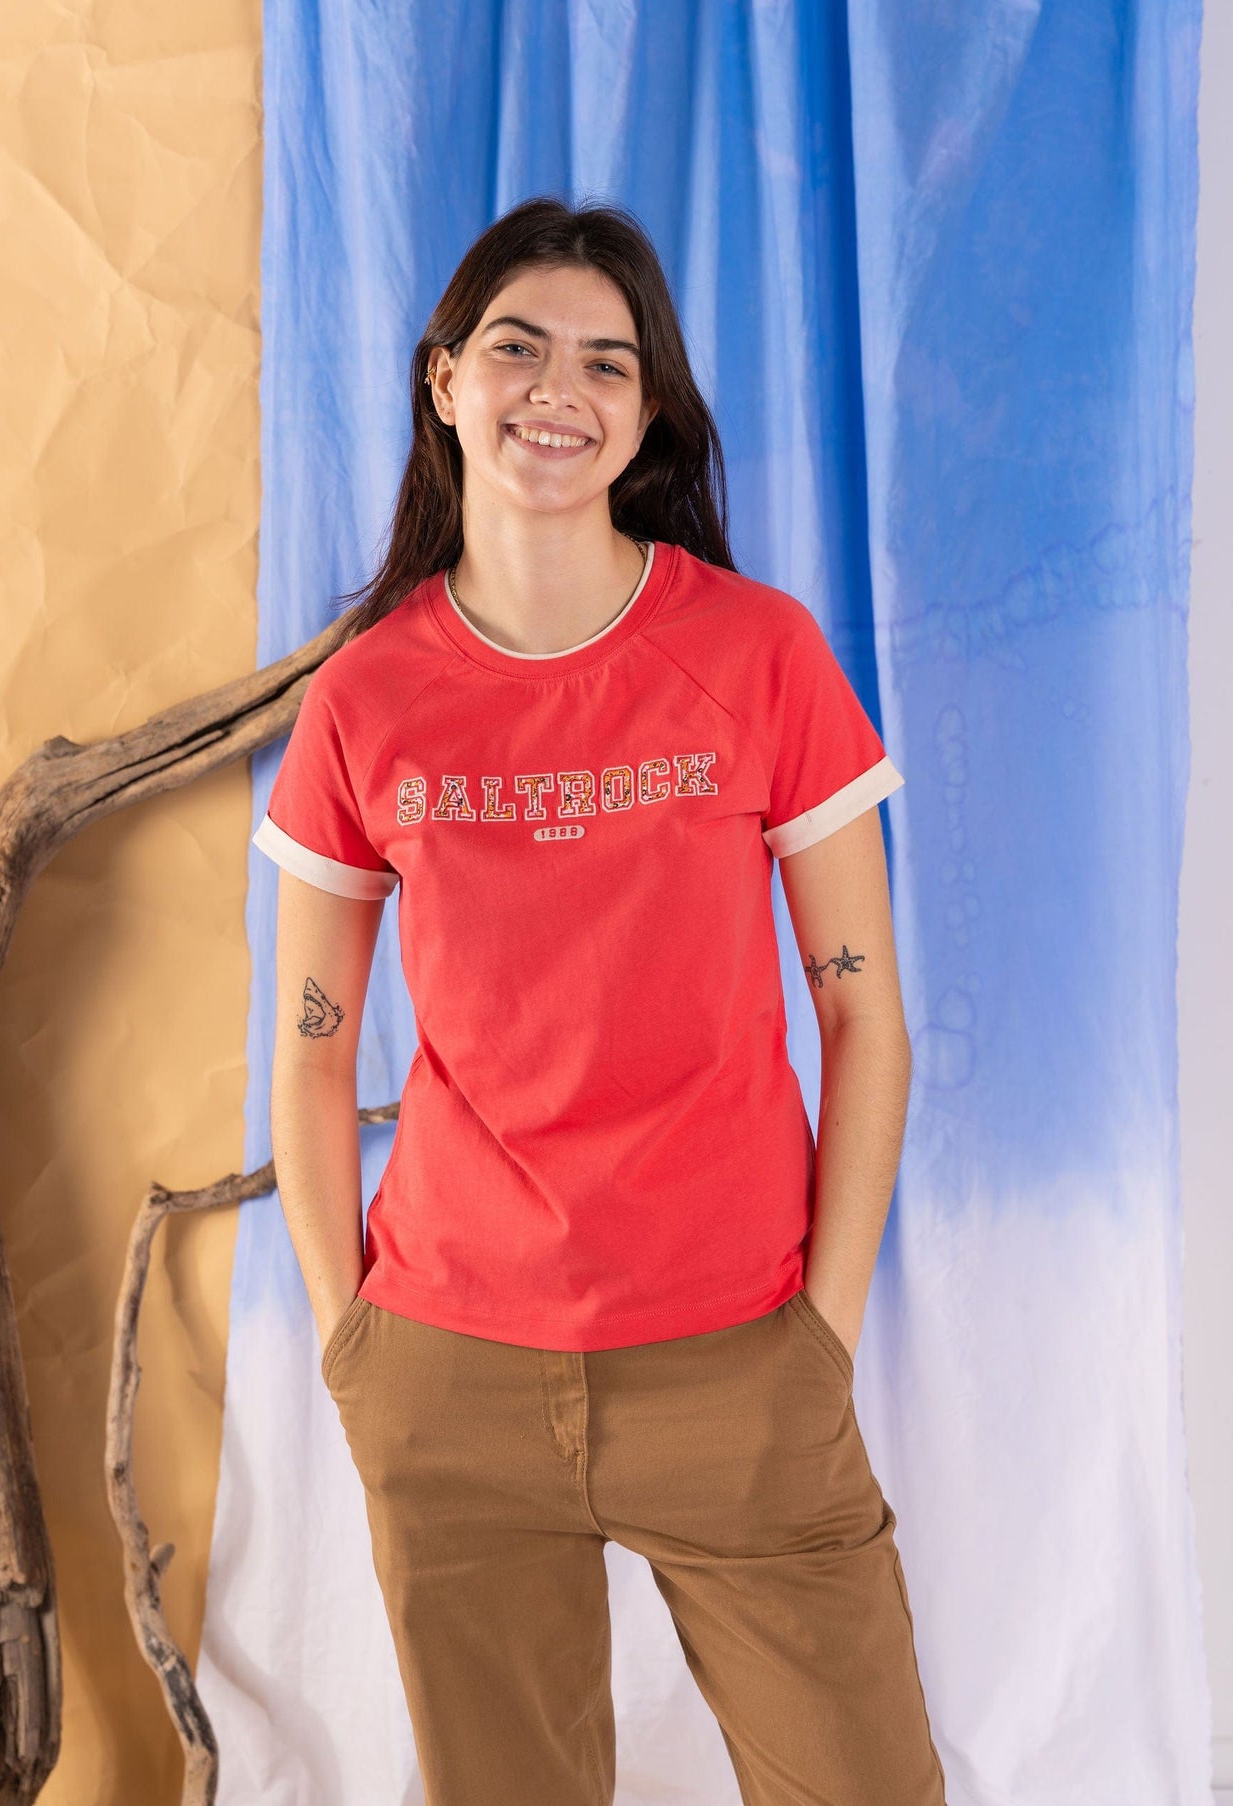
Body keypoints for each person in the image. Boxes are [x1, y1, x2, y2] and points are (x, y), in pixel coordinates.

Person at [255, 195, 947, 1806]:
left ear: (644, 417)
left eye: (605, 362)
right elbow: (307, 1049)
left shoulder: (757, 654)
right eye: (516, 347)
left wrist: (820, 1336)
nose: (555, 389)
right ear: (445, 381)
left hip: (737, 1357)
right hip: (449, 1368)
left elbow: (863, 1015)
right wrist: (352, 1342)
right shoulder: (367, 696)